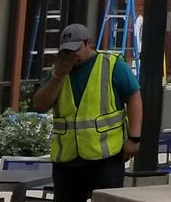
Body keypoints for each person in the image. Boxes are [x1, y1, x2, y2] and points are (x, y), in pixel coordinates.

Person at [31, 23, 143, 202]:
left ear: (89, 43)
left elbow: (134, 97)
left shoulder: (112, 65)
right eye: (66, 51)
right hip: (67, 161)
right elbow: (39, 106)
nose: (71, 55)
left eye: (75, 49)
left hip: (106, 157)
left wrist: (134, 138)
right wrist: (58, 76)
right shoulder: (58, 71)